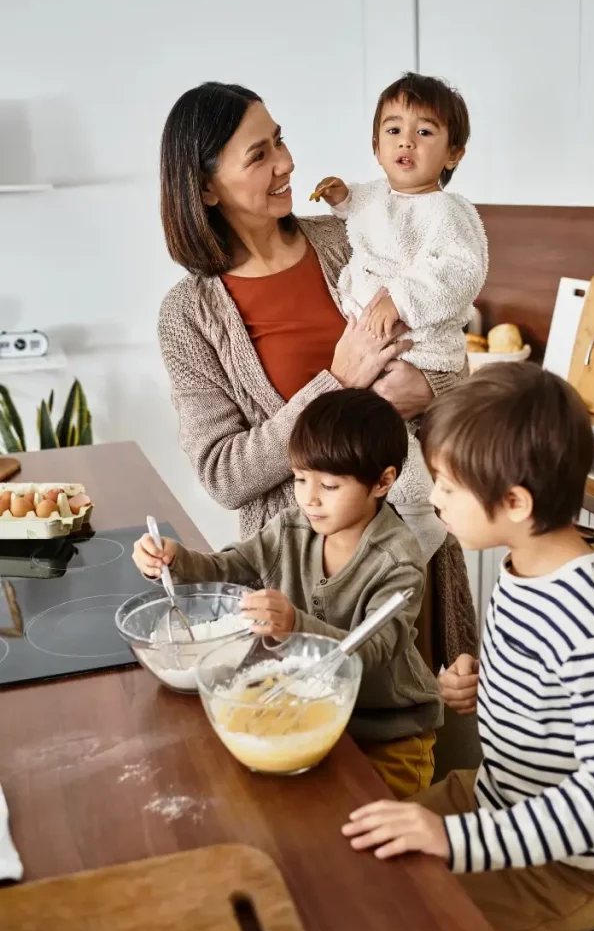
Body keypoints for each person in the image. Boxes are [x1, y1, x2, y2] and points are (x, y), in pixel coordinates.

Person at [157, 80, 478, 672]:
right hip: (301, 592)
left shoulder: (346, 237)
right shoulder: (189, 314)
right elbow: (224, 473)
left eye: (279, 140)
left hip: (412, 556)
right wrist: (337, 381)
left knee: (429, 747)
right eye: (259, 155)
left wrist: (435, 387)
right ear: (204, 187)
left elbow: (444, 347)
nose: (286, 162)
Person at [342, 363, 594, 931]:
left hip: (580, 866)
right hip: (503, 795)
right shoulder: (531, 563)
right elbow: (572, 687)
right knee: (355, 855)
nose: (433, 498)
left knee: (392, 921)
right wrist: (491, 683)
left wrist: (452, 841)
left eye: (446, 484)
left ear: (514, 500)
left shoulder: (589, 623)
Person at [133, 388, 442, 799]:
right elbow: (230, 568)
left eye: (329, 485)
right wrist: (174, 561)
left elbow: (373, 648)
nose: (309, 497)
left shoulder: (398, 561)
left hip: (388, 734)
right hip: (312, 713)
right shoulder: (293, 527)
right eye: (300, 479)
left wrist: (296, 624)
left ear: (383, 481)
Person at [313, 72, 488, 506]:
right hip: (374, 357)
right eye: (393, 131)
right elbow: (360, 207)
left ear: (454, 154)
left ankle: (418, 522)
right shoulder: (375, 195)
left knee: (411, 463)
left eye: (424, 132)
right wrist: (339, 197)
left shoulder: (447, 211)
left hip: (418, 348)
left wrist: (400, 298)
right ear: (376, 148)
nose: (405, 142)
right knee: (382, 453)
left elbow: (462, 270)